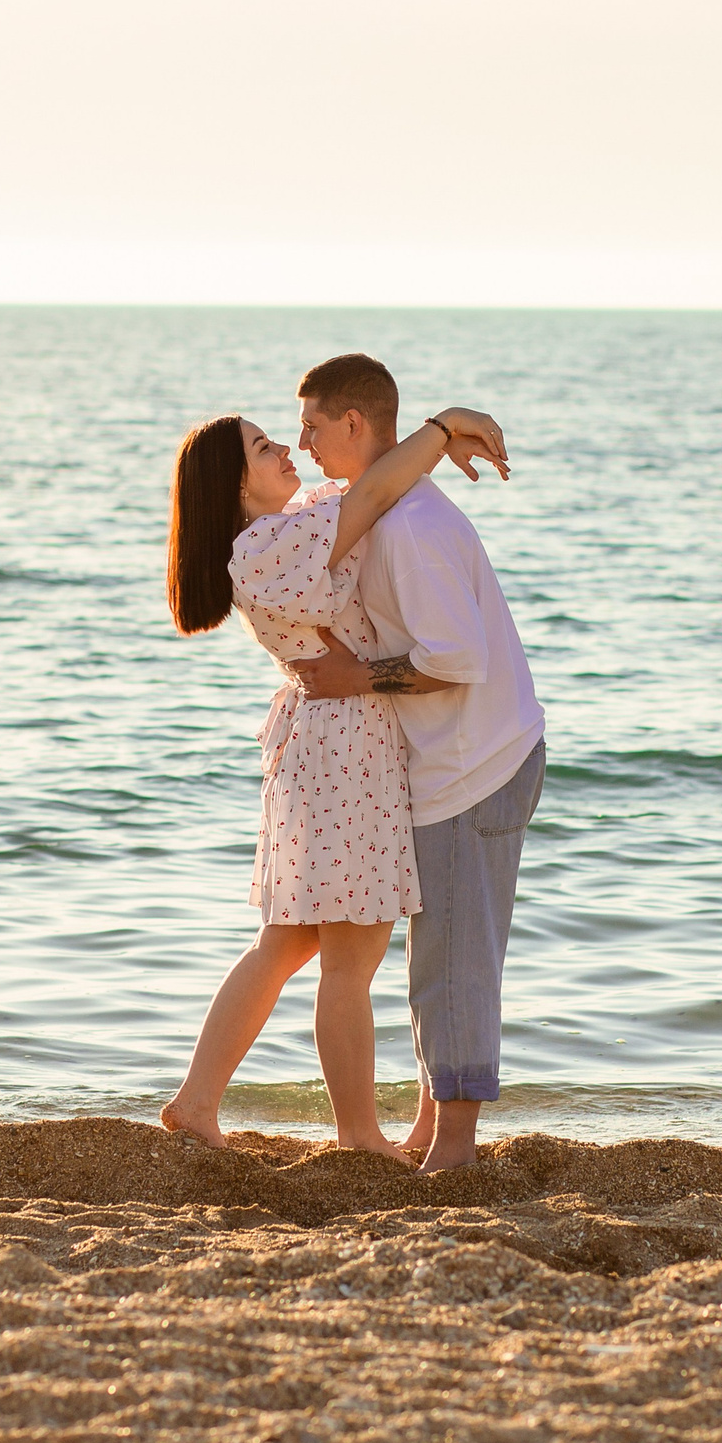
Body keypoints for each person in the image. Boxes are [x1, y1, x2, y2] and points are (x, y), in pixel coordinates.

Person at [158, 399, 510, 1162]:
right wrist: (443, 429)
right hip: (344, 746)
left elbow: (370, 485)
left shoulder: (287, 527)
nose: (285, 446)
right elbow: (377, 493)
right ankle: (356, 1134)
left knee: (286, 944)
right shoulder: (264, 548)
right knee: (350, 957)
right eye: (261, 446)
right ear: (234, 484)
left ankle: (196, 1100)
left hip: (333, 744)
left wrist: (421, 445)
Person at [287, 354, 546, 1173]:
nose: (301, 443)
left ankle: (457, 1150)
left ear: (355, 426)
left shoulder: (408, 532)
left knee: (455, 960)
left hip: (479, 761)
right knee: (436, 958)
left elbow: (456, 657)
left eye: (313, 426)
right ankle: (437, 1133)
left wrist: (351, 679)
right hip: (457, 760)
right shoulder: (391, 506)